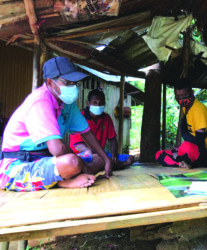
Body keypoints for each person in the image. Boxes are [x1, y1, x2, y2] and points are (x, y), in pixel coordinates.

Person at [0, 56, 113, 191]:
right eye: (67, 83)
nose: (72, 87)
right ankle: (62, 182)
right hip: (19, 166)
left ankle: (63, 178)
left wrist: (106, 159)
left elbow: (86, 132)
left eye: (74, 83)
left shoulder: (67, 104)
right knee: (72, 162)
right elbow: (58, 149)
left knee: (97, 159)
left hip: (48, 160)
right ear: (50, 83)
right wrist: (84, 167)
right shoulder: (40, 101)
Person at [156, 78, 207, 168]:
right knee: (159, 154)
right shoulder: (186, 108)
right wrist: (178, 150)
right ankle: (182, 163)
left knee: (186, 146)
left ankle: (181, 160)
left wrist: (183, 138)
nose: (181, 99)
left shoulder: (199, 110)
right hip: (192, 151)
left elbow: (199, 142)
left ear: (192, 93)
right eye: (178, 97)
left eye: (184, 96)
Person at [69, 89, 135, 170]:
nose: (98, 105)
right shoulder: (80, 118)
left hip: (101, 154)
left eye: (101, 103)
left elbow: (113, 140)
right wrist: (95, 153)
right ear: (88, 103)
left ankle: (110, 163)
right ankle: (111, 164)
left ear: (104, 103)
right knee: (99, 159)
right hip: (83, 155)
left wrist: (114, 156)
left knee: (130, 158)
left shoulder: (106, 118)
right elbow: (78, 145)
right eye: (95, 102)